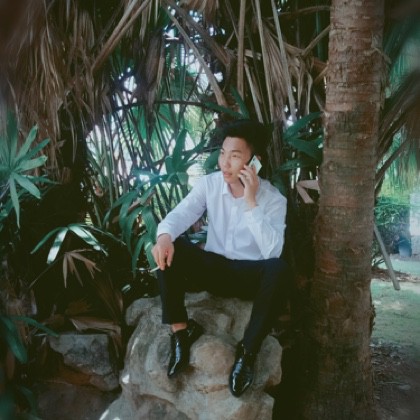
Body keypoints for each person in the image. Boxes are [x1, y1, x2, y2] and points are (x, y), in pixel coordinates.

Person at [151, 119, 289, 397]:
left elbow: (272, 252)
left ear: (254, 163)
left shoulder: (274, 200)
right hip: (213, 269)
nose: (224, 163)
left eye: (235, 156)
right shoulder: (210, 185)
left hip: (249, 276)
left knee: (279, 269)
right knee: (170, 245)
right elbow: (181, 214)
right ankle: (181, 333)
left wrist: (251, 202)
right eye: (223, 153)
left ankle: (247, 353)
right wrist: (164, 236)